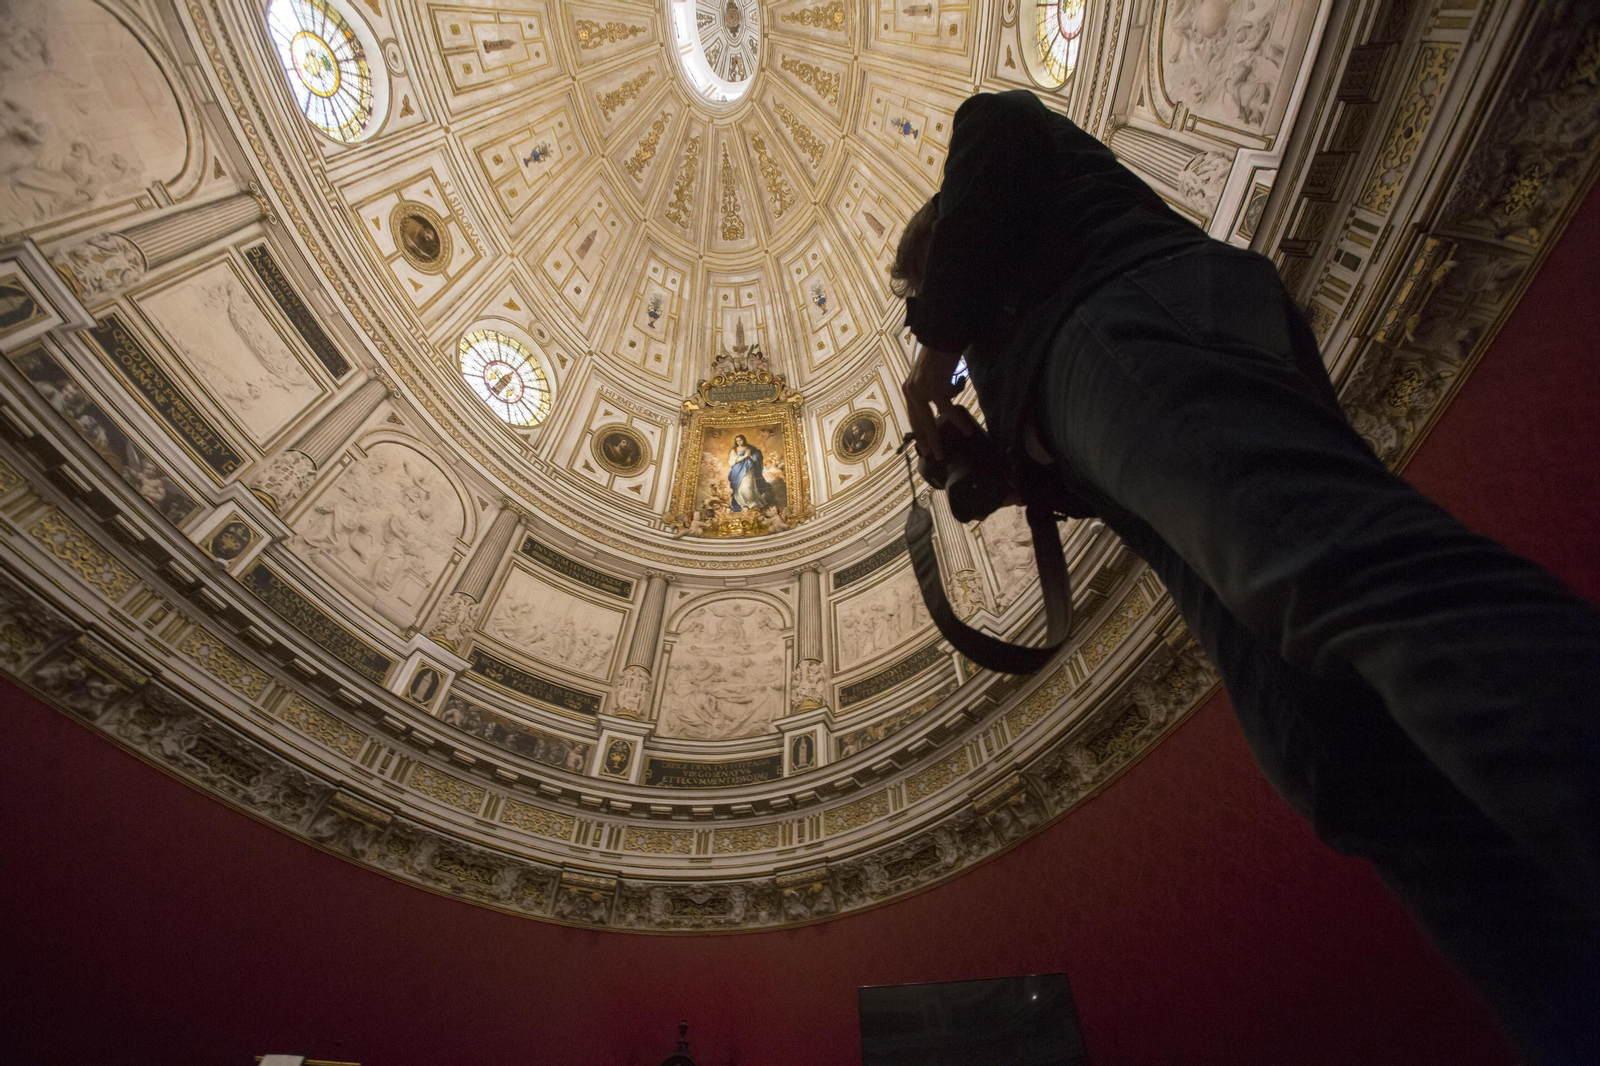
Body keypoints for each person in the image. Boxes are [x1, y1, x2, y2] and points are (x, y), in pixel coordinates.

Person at [896, 89, 1598, 1063]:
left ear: (946, 240)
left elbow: (1002, 124)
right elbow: (1124, 465)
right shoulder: (1019, 324)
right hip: (1126, 386)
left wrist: (931, 362)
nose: (935, 320)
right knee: (1333, 764)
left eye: (925, 289)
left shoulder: (999, 158)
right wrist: (1006, 462)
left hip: (1130, 313)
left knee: (1348, 581)